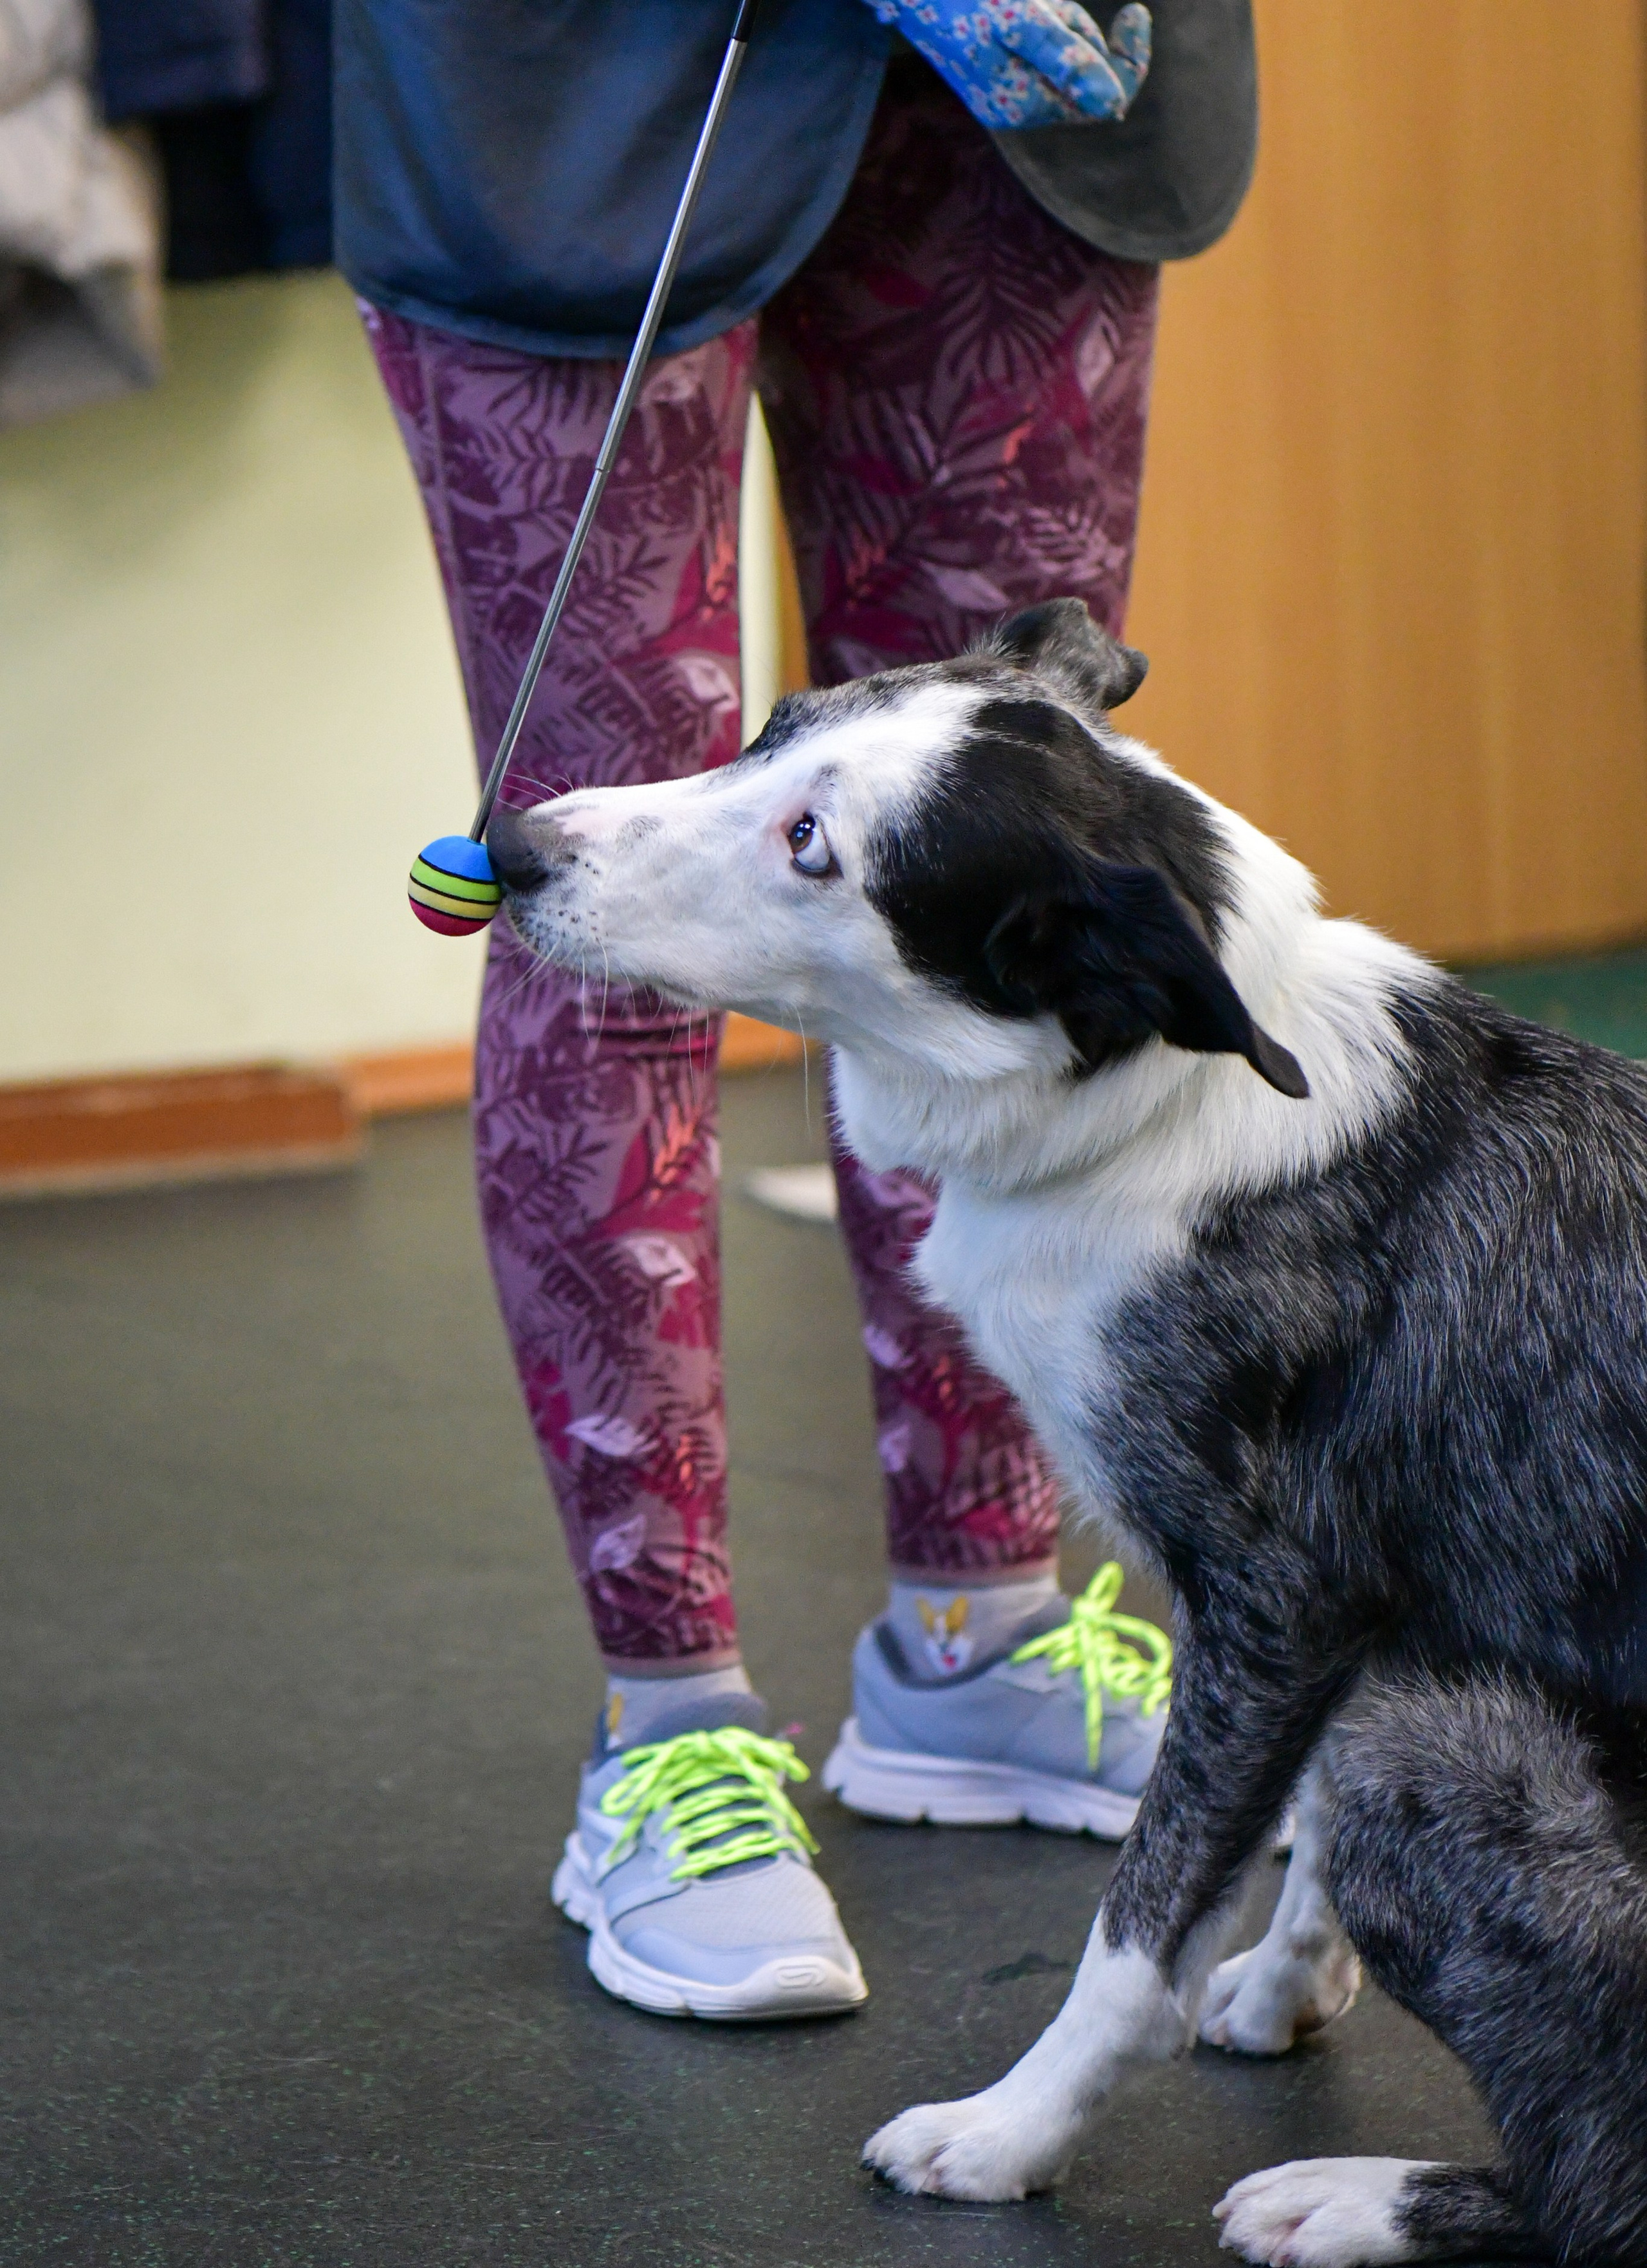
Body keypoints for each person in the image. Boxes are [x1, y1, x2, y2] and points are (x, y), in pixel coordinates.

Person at [334, 0, 1256, 2021]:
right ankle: (667, 1728)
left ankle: (979, 1637)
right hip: (575, 92)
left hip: (1039, 94)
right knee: (616, 887)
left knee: (980, 856)